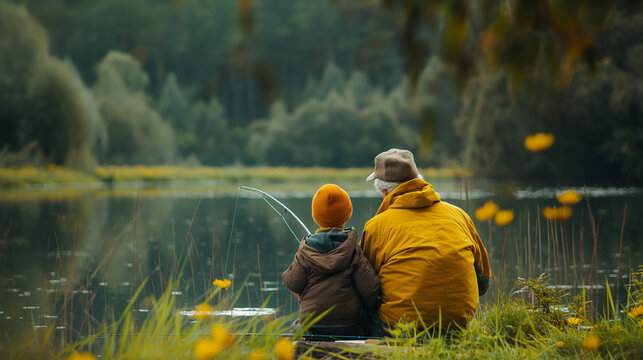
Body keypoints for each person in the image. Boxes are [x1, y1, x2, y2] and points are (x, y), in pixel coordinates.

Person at [360, 149, 491, 334]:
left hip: (403, 328)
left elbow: (365, 287)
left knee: (357, 314)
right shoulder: (459, 215)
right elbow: (483, 281)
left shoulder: (376, 226)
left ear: (383, 190)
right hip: (458, 325)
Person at [282, 184, 381, 336]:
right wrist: (366, 308)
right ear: (347, 214)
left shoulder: (305, 251)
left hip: (312, 324)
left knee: (297, 326)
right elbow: (370, 290)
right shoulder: (354, 251)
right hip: (348, 324)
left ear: (315, 217)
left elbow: (292, 282)